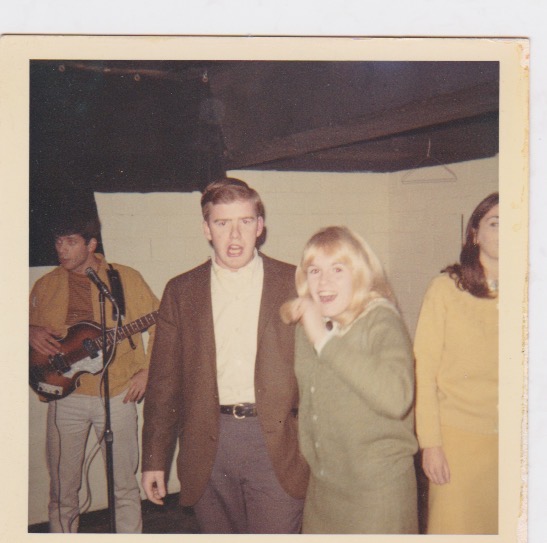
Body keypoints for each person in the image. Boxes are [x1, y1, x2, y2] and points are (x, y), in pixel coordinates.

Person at [141, 178, 309, 534]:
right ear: (206, 229)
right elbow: (164, 383)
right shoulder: (181, 291)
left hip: (279, 443)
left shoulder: (295, 282)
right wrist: (154, 459)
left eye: (245, 222)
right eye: (222, 223)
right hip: (208, 444)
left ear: (260, 226)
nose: (235, 236)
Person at [280, 225, 418, 534]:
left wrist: (324, 342)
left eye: (337, 269)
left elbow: (396, 398)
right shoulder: (312, 324)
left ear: (359, 274)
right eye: (315, 270)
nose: (324, 282)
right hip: (324, 488)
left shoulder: (380, 320)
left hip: (376, 493)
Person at [29, 214, 160, 533]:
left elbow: (161, 323)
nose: (61, 249)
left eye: (70, 242)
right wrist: (28, 329)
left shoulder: (124, 279)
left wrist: (147, 370)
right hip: (64, 398)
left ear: (91, 245)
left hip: (117, 394)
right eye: (58, 242)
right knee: (63, 490)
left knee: (124, 487)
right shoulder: (45, 285)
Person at [414, 192, 499, 534]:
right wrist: (430, 445)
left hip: (513, 441)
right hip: (456, 440)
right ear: (475, 233)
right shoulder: (445, 290)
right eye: (494, 223)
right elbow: (424, 372)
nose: (504, 232)